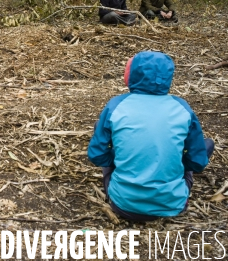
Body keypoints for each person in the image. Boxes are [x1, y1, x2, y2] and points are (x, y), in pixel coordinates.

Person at [87, 51, 214, 221]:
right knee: (205, 146)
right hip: (173, 205)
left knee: (102, 131)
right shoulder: (182, 107)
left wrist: (120, 160)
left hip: (123, 205)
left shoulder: (116, 106)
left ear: (131, 75)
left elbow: (97, 155)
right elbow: (197, 162)